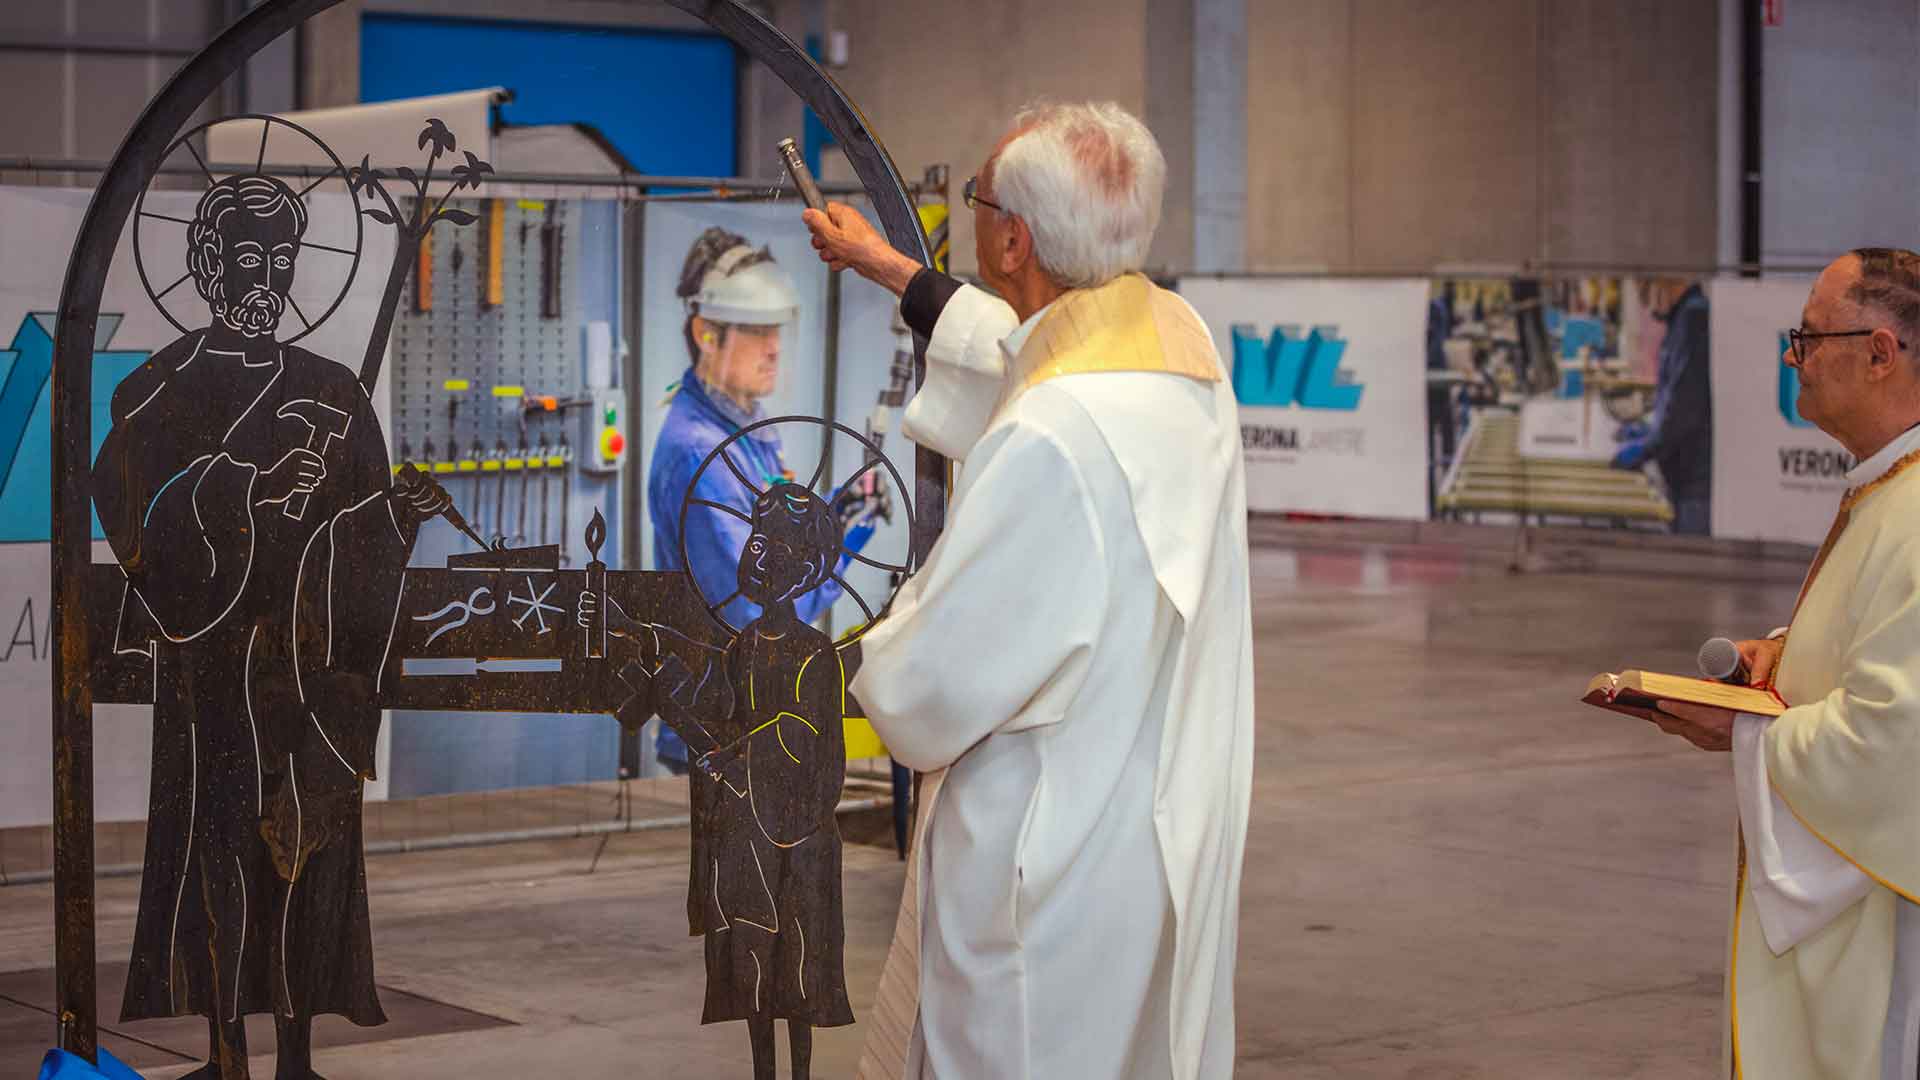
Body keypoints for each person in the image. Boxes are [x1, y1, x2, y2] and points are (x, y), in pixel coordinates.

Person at [803, 101, 1254, 1079]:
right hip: (1155, 809)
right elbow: (1013, 351)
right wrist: (889, 267)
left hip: (1045, 849)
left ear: (1009, 236)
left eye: (976, 201)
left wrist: (855, 659)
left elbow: (934, 683)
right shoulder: (1181, 356)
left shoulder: (1053, 430)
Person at [93, 173, 450, 1079]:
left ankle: (295, 1051)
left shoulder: (331, 391)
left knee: (306, 852)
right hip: (215, 670)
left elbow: (361, 530)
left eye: (280, 260)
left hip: (309, 672)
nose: (264, 278)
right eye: (245, 257)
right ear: (207, 263)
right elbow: (134, 510)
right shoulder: (155, 393)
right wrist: (240, 481)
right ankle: (225, 1052)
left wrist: (394, 517)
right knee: (220, 851)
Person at [1650, 248, 1920, 1079]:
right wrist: (1786, 658)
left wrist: (1742, 729)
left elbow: (1893, 742)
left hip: (1893, 935)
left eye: (1807, 337)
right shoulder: (1887, 485)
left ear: (1880, 353)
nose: (1791, 356)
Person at [581, 482, 855, 1080]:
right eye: (755, 542)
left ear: (807, 569)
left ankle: (801, 1072)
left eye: (776, 548)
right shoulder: (745, 645)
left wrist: (744, 753)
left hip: (797, 838)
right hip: (748, 834)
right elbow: (717, 702)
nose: (759, 557)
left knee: (798, 972)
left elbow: (812, 744)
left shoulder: (816, 655)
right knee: (754, 967)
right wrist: (650, 649)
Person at [646, 227, 875, 774]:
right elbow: (758, 608)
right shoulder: (701, 452)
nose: (773, 347)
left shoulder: (740, 424)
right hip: (725, 723)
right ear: (706, 333)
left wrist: (836, 513)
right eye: (754, 330)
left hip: (753, 712)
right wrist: (845, 545)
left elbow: (773, 533)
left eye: (776, 329)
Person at [1611, 278, 1712, 534]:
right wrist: (1646, 428)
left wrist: (1647, 446)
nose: (1646, 306)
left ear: (1664, 283)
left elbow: (1683, 409)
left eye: (1645, 293)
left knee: (1693, 562)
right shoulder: (1680, 320)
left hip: (1695, 482)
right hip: (1681, 477)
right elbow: (1672, 397)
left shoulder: (1693, 318)